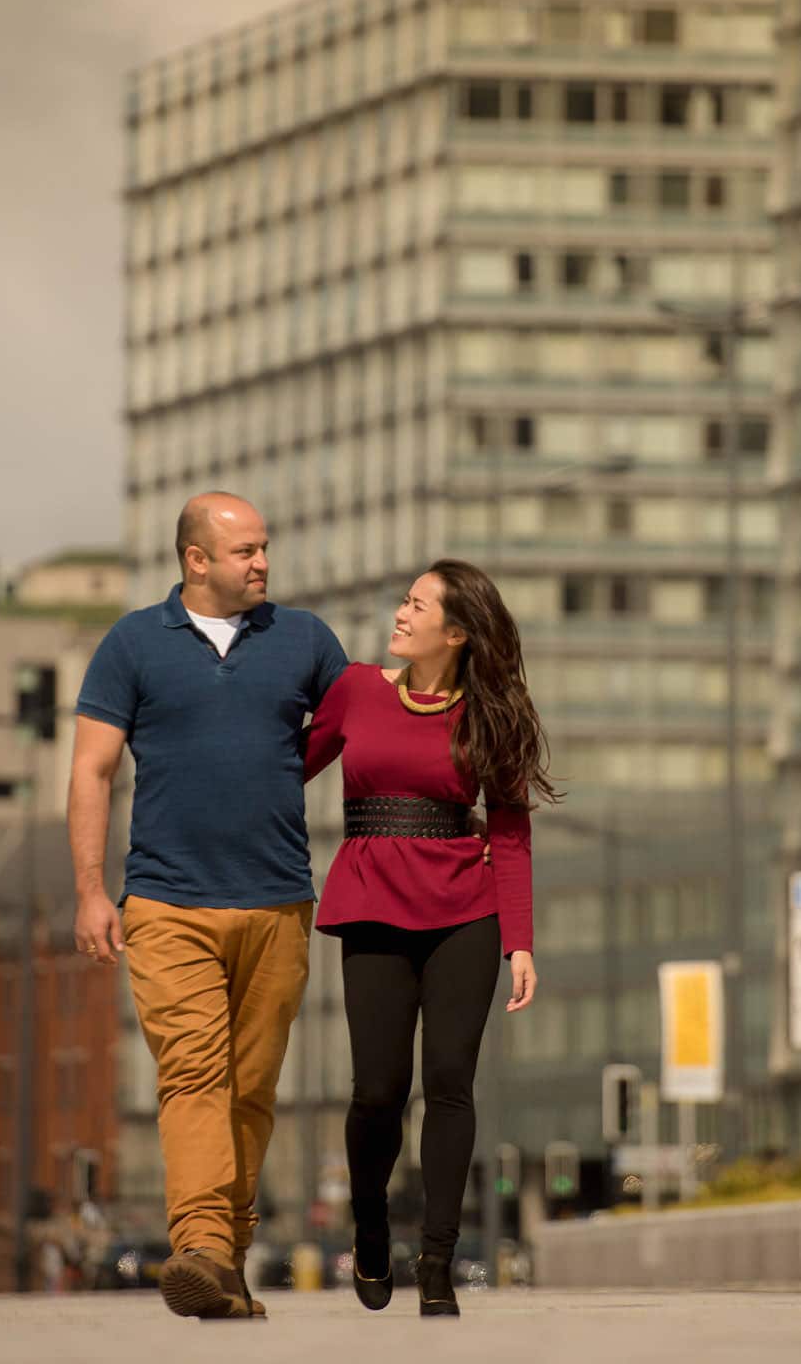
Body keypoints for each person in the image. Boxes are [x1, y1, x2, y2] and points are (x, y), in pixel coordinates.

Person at [69, 492, 348, 1320]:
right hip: (167, 901)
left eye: (265, 547)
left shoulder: (305, 640)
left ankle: (223, 1258)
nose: (262, 563)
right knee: (193, 1073)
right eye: (245, 551)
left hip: (278, 902)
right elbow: (91, 772)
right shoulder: (130, 644)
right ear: (196, 560)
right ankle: (199, 1244)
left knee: (252, 1088)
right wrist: (90, 889)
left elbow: (355, 724)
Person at [300, 559, 551, 1317]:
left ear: (456, 631)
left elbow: (508, 831)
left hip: (464, 911)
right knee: (378, 1091)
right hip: (371, 900)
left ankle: (438, 1260)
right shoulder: (355, 690)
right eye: (403, 601)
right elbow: (289, 767)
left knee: (449, 1080)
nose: (400, 614)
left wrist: (520, 941)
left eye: (416, 605)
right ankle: (371, 1224)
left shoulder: (491, 713)